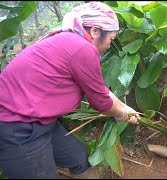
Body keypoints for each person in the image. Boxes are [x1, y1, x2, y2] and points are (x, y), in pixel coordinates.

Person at [0, 2, 140, 179]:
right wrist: (120, 114)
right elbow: (101, 102)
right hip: (17, 127)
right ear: (96, 31)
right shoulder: (83, 48)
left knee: (79, 158)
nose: (107, 46)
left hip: (40, 122)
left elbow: (99, 89)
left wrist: (125, 109)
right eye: (110, 40)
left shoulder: (69, 41)